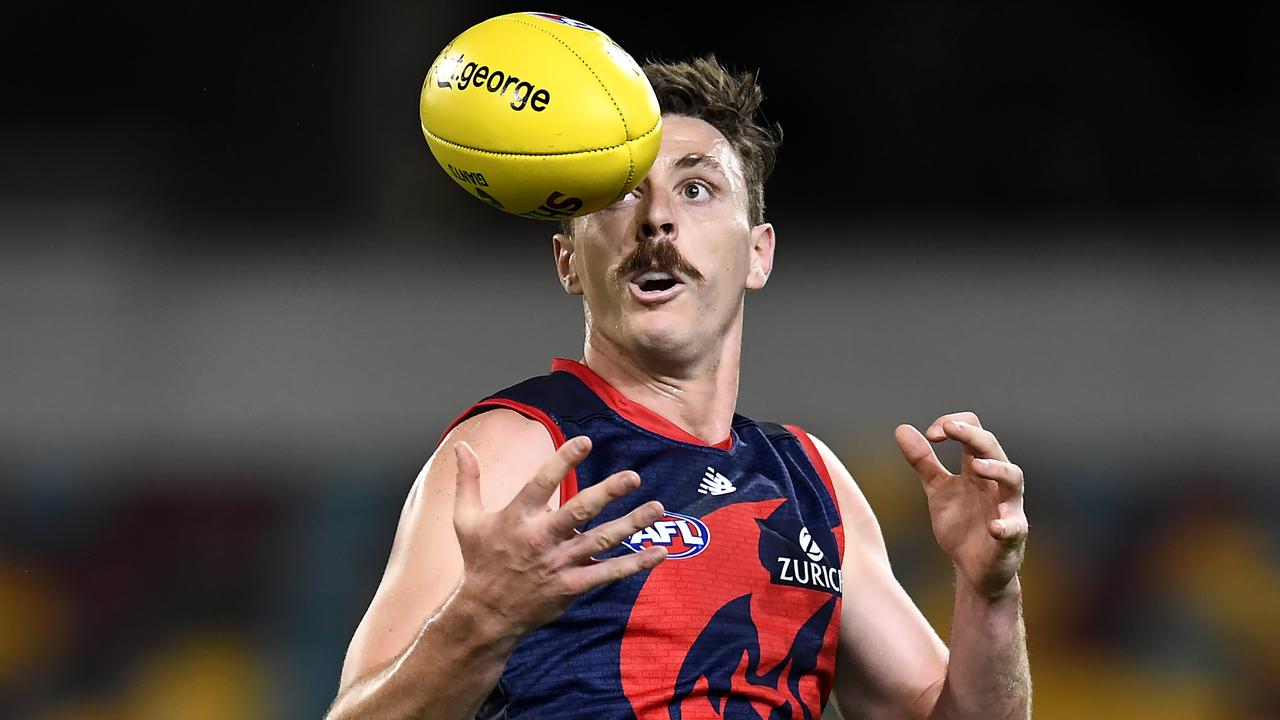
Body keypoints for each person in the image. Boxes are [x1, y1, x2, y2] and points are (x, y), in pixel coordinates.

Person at [326, 55, 1030, 720]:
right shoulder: (517, 450)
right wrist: (479, 618)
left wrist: (988, 593)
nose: (655, 219)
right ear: (568, 260)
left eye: (695, 189)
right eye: (618, 194)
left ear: (758, 253)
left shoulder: (813, 483)